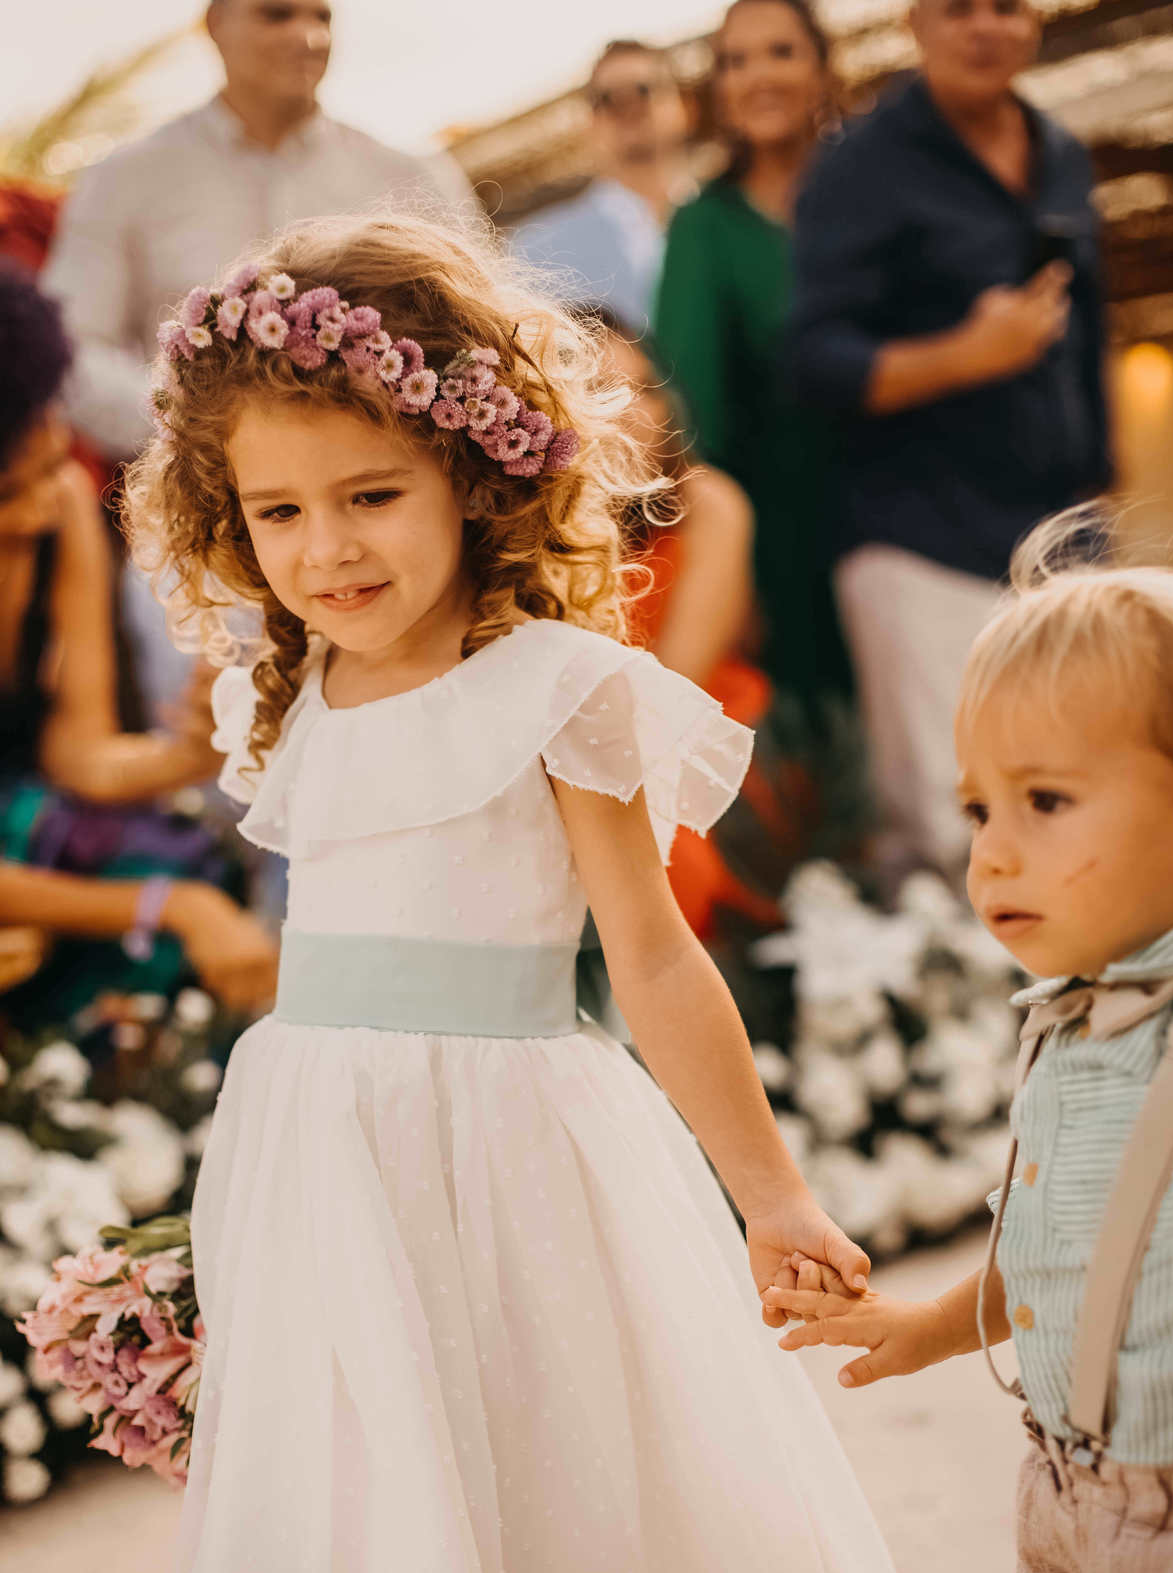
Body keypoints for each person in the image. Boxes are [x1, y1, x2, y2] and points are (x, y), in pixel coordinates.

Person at [111, 211, 961, 1573]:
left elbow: (654, 956)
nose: (327, 549)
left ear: (474, 475)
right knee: (369, 1493)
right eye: (279, 511)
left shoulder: (561, 691)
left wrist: (771, 1195)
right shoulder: (279, 700)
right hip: (318, 1146)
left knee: (539, 1477)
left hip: (509, 1141)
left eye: (372, 496)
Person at [767, 517, 1173, 1573]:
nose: (993, 850)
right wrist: (932, 1326)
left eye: (1046, 801)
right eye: (978, 808)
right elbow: (1058, 1244)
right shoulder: (1068, 1019)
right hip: (1069, 1483)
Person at [789, 0, 1111, 876]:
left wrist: (1100, 488)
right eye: (958, 7)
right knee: (950, 826)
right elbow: (814, 363)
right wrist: (965, 354)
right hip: (916, 537)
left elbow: (1087, 333)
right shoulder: (861, 165)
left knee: (1080, 793)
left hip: (1058, 538)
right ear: (916, 21)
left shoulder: (1061, 153)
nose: (984, 28)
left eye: (1006, 6)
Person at [0, 261, 277, 1018]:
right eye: (9, 496)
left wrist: (191, 753)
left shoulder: (63, 510)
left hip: (31, 826)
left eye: (52, 464)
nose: (41, 506)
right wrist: (170, 906)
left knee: (202, 864)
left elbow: (79, 753)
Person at [43, 0, 474, 463]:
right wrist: (201, 431)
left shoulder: (411, 174)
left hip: (405, 468)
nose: (310, 37)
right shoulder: (122, 181)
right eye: (277, 15)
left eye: (322, 17)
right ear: (216, 23)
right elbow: (69, 349)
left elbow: (478, 329)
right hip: (207, 487)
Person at [654, 0, 855, 761]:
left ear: (824, 68)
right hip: (777, 545)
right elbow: (689, 409)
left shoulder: (872, 203)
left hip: (907, 519)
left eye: (780, 52)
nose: (757, 76)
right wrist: (725, 569)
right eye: (735, 61)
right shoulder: (704, 225)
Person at [600, 316, 814, 941]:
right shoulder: (537, 525)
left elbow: (675, 683)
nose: (632, 412)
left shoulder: (708, 502)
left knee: (662, 865)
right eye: (604, 392)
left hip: (700, 736)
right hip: (588, 748)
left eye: (644, 390)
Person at [511, 40, 691, 334]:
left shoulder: (733, 216)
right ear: (591, 122)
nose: (628, 107)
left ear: (682, 105)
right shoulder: (537, 257)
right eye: (607, 99)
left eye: (643, 90)